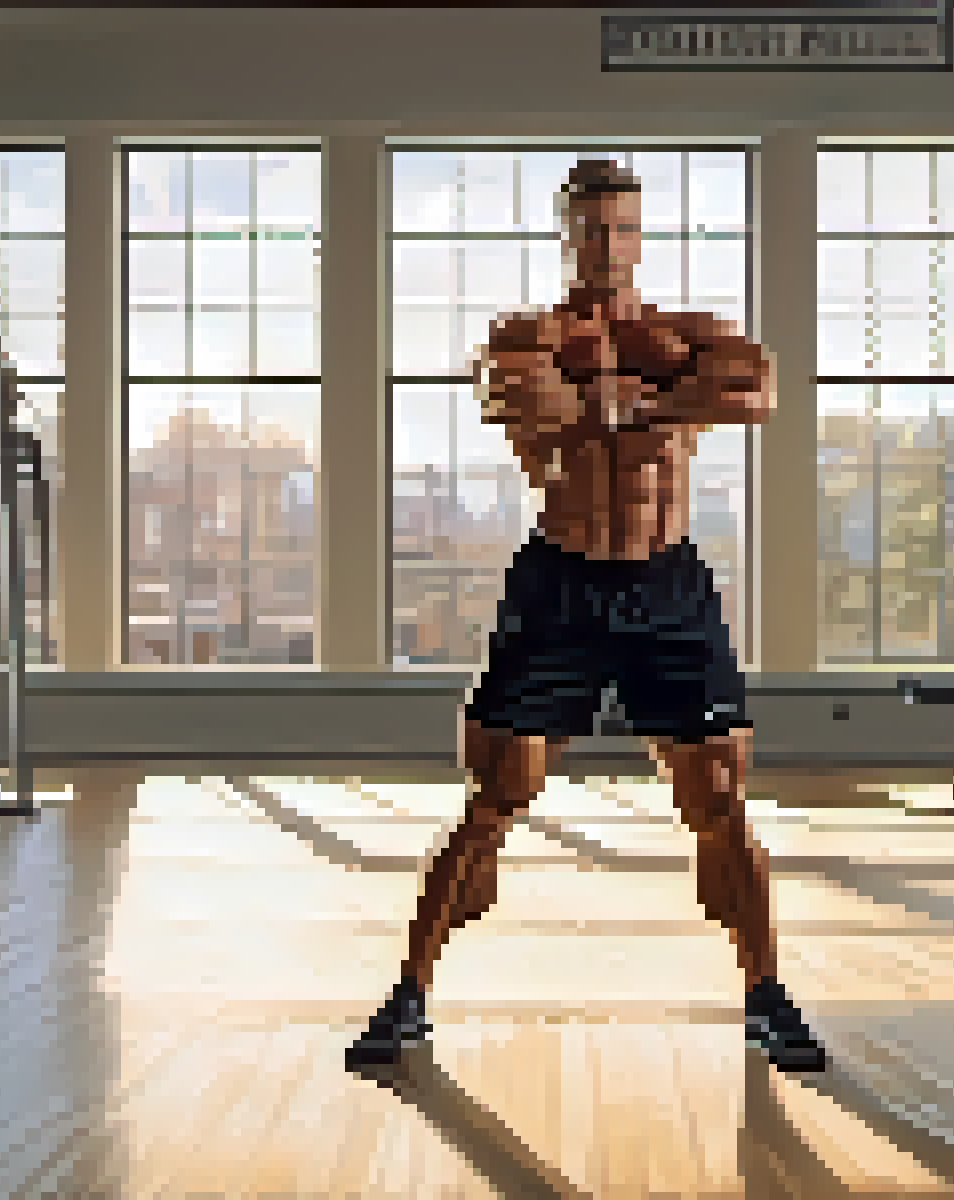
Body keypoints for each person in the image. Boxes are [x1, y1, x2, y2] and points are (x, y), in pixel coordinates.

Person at [346, 160, 827, 1073]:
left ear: (642, 238)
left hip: (666, 585)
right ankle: (408, 996)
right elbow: (523, 396)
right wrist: (647, 403)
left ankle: (769, 995)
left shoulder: (686, 332)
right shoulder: (525, 333)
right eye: (593, 229)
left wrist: (626, 403)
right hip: (560, 585)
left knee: (718, 799)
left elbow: (754, 389)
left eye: (625, 229)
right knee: (495, 798)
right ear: (567, 236)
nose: (610, 245)